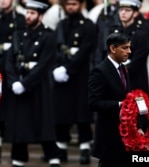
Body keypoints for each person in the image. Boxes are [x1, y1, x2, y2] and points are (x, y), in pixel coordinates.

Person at [2, 0, 61, 166]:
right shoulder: (19, 34)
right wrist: (13, 82)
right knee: (20, 126)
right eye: (27, 13)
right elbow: (10, 61)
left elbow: (44, 64)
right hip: (18, 86)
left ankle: (53, 157)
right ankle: (18, 159)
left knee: (43, 124)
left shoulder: (49, 36)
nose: (28, 16)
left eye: (32, 13)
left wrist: (25, 84)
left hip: (38, 87)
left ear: (40, 16)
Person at [88, 32, 149, 167]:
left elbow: (129, 99)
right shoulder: (100, 71)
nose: (129, 51)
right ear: (113, 49)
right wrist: (120, 105)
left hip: (126, 137)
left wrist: (138, 126)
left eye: (129, 47)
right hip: (109, 135)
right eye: (125, 48)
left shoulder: (123, 69)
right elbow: (94, 103)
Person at [50, 0, 97, 164]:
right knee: (61, 113)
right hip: (62, 76)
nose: (71, 7)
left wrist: (68, 70)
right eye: (68, 4)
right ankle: (61, 148)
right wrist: (57, 68)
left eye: (74, 4)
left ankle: (85, 148)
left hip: (80, 76)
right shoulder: (61, 25)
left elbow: (85, 51)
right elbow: (55, 48)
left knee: (82, 114)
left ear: (81, 5)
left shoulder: (88, 25)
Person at [0, 0, 26, 158]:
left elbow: (18, 45)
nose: (2, 1)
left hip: (11, 69)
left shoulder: (19, 19)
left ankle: (13, 142)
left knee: (9, 106)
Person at [113, 0, 149, 97]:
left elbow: (138, 60)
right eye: (121, 10)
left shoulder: (140, 34)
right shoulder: (115, 32)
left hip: (135, 81)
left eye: (127, 10)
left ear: (135, 13)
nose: (123, 13)